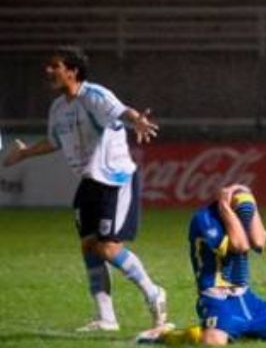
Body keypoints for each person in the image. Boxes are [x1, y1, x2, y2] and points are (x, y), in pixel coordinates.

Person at [2, 45, 167, 332]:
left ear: (72, 71)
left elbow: (122, 111)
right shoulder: (58, 108)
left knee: (108, 248)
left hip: (115, 179)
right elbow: (54, 142)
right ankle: (106, 317)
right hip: (90, 181)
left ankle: (154, 293)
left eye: (55, 66)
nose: (48, 71)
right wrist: (25, 153)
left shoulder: (94, 95)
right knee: (89, 245)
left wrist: (137, 121)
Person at [138, 184, 266, 345]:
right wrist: (225, 207)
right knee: (214, 342)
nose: (244, 215)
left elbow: (259, 242)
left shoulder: (240, 216)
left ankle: (242, 330)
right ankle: (164, 335)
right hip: (217, 298)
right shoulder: (204, 218)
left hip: (246, 297)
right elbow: (240, 245)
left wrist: (252, 206)